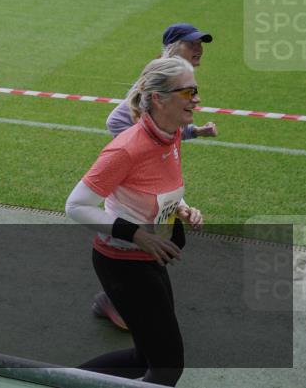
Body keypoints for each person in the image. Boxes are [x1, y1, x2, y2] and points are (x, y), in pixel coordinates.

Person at [66, 57, 205, 386]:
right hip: (124, 264)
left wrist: (182, 207)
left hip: (151, 256)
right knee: (167, 367)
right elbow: (76, 205)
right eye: (188, 92)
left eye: (196, 91)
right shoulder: (126, 149)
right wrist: (138, 235)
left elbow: (156, 186)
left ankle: (62, 381)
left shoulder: (169, 134)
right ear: (159, 99)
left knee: (148, 357)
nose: (197, 99)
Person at [95, 23, 216, 331]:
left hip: (158, 177)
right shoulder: (160, 78)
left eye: (201, 43)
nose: (199, 48)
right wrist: (141, 149)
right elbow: (118, 120)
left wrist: (190, 133)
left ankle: (124, 296)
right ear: (174, 46)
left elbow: (167, 128)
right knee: (140, 247)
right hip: (137, 183)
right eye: (192, 43)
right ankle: (113, 300)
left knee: (173, 238)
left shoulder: (180, 81)